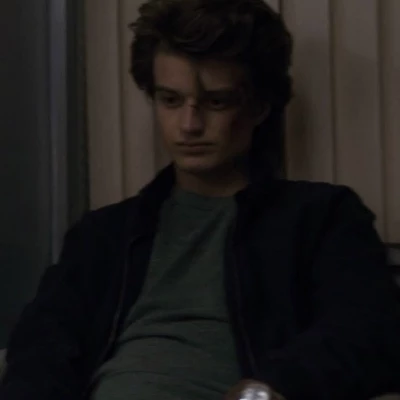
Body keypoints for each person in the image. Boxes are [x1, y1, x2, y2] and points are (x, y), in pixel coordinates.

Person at [1, 0, 400, 399]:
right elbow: (39, 351)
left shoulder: (319, 218)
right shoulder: (103, 236)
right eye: (170, 101)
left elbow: (366, 331)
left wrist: (271, 388)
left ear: (258, 107)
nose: (189, 125)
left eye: (216, 102)